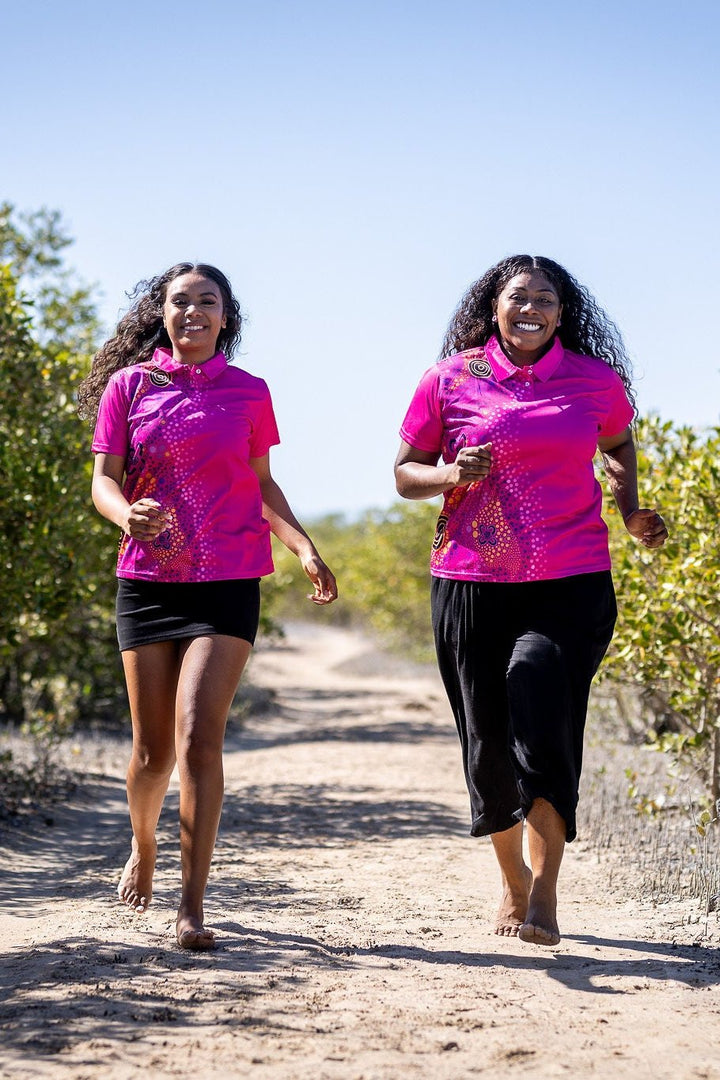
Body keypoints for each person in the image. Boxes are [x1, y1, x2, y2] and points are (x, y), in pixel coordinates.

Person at [394, 254, 667, 947]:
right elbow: (403, 472)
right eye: (519, 297)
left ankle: (545, 895)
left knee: (541, 708)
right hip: (469, 583)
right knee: (487, 742)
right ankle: (512, 883)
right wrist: (451, 472)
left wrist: (630, 510)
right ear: (495, 307)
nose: (532, 308)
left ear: (561, 312)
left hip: (570, 582)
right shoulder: (450, 380)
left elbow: (620, 441)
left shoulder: (593, 381)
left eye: (545, 298)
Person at [78, 262, 337, 950]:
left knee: (198, 738)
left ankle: (192, 904)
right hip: (147, 582)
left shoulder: (249, 392)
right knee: (149, 754)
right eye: (180, 302)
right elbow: (103, 482)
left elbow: (261, 485)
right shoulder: (129, 387)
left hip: (227, 581)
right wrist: (125, 514)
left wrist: (304, 547)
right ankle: (143, 842)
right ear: (160, 315)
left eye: (207, 302)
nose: (193, 312)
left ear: (227, 317)